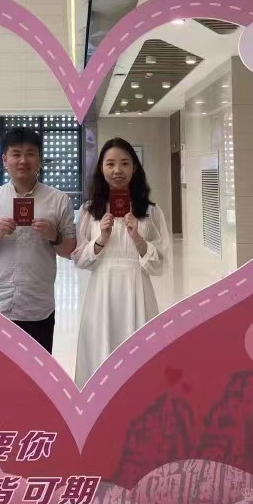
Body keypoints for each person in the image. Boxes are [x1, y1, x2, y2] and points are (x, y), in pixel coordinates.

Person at [0, 127, 76, 354]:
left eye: (30, 154)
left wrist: (54, 236)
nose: (23, 160)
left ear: (40, 159)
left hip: (38, 308)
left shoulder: (59, 200)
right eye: (16, 154)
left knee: (36, 371)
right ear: (5, 160)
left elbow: (70, 250)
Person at [73, 137, 171, 388]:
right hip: (102, 291)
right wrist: (101, 239)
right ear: (101, 168)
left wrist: (137, 237)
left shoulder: (150, 211)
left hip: (137, 288)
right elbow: (80, 259)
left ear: (134, 168)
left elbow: (159, 263)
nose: (118, 170)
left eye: (125, 163)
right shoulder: (89, 211)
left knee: (139, 352)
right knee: (100, 349)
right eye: (110, 164)